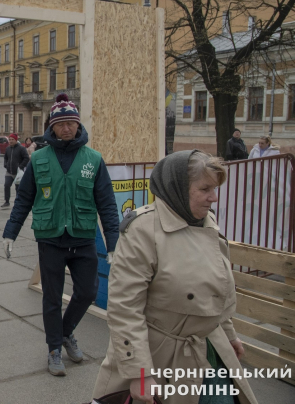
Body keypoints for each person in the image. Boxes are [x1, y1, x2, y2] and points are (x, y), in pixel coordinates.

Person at [92, 151, 257, 404]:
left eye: (214, 189)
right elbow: (125, 309)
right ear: (177, 187)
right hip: (160, 357)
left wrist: (228, 334)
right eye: (205, 189)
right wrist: (139, 372)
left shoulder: (206, 222)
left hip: (210, 348)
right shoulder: (142, 231)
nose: (214, 197)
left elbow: (215, 290)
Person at [2, 93, 119, 377]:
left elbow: (106, 203)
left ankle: (65, 333)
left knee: (88, 292)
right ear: (51, 127)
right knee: (52, 298)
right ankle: (54, 348)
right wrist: (11, 232)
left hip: (82, 238)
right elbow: (24, 198)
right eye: (61, 123)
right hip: (51, 239)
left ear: (78, 126)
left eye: (71, 123)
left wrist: (114, 243)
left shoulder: (93, 159)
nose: (67, 128)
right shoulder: (39, 158)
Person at [1, 133, 29, 208]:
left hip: (18, 172)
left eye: (12, 139)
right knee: (6, 185)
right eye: (9, 139)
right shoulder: (8, 149)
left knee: (18, 188)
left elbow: (26, 158)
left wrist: (20, 166)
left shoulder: (21, 148)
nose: (10, 141)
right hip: (9, 172)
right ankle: (7, 201)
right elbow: (5, 158)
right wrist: (5, 165)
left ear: (16, 140)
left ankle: (18, 202)